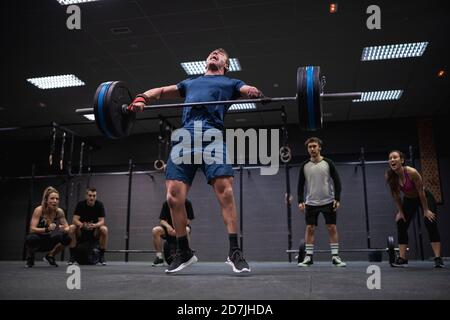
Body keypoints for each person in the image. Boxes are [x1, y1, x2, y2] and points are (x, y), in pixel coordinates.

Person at [129, 48, 263, 273]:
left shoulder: (231, 83)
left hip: (212, 134)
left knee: (226, 191)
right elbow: (161, 91)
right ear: (206, 61)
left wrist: (252, 91)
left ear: (225, 64)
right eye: (212, 53)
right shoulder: (190, 83)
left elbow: (246, 89)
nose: (214, 55)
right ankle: (184, 252)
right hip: (186, 135)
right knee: (173, 197)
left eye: (219, 55)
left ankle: (234, 251)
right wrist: (142, 97)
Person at [386, 150, 444, 268]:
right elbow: (396, 196)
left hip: (424, 197)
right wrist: (401, 212)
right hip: (409, 200)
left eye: (395, 157)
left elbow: (421, 192)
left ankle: (438, 258)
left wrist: (426, 210)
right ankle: (402, 258)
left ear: (401, 160)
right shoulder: (391, 176)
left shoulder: (412, 172)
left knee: (430, 221)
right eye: (390, 158)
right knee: (401, 222)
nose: (392, 160)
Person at [297, 137, 346, 267]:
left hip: (328, 201)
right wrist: (300, 201)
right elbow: (300, 184)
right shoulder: (304, 165)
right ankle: (308, 257)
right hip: (311, 203)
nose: (312, 149)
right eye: (310, 147)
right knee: (310, 228)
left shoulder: (328, 163)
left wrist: (337, 199)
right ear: (308, 149)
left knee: (331, 227)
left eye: (314, 146)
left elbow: (337, 181)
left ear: (319, 147)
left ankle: (335, 256)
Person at [25, 186, 75, 268]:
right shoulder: (39, 210)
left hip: (48, 241)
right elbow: (32, 229)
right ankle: (31, 256)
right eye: (52, 198)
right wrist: (47, 229)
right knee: (31, 238)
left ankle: (50, 255)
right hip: (37, 241)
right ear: (46, 200)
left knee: (67, 238)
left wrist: (65, 229)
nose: (55, 201)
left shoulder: (59, 212)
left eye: (57, 199)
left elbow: (67, 227)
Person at [69, 187, 109, 265]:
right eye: (90, 195)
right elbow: (75, 219)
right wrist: (82, 225)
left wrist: (94, 225)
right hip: (82, 231)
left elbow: (102, 221)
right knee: (71, 227)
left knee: (104, 229)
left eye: (94, 196)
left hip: (94, 231)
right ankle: (72, 256)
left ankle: (101, 256)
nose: (92, 198)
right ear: (86, 196)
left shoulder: (99, 205)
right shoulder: (80, 204)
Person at [151, 200, 194, 266]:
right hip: (169, 229)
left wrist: (177, 229)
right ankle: (159, 258)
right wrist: (168, 227)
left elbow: (187, 221)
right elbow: (162, 220)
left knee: (187, 229)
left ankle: (186, 256)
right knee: (155, 230)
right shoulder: (166, 203)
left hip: (182, 227)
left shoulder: (187, 203)